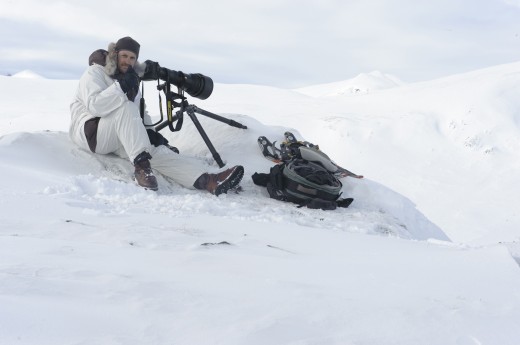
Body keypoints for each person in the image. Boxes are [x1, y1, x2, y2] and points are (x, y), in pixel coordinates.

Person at [69, 36, 244, 195]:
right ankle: (142, 169)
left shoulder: (130, 78)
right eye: (124, 56)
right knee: (127, 108)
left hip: (115, 135)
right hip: (91, 134)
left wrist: (150, 133)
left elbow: (138, 114)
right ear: (115, 54)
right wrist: (121, 87)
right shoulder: (94, 73)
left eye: (132, 58)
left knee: (152, 151)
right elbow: (95, 106)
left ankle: (207, 181)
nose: (127, 62)